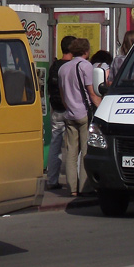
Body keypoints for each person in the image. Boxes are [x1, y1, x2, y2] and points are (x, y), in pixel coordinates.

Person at [58, 37, 100, 197]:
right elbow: (91, 92)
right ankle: (84, 187)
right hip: (84, 113)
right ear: (86, 51)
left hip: (69, 113)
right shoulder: (85, 66)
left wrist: (69, 106)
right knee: (86, 151)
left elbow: (62, 95)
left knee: (71, 153)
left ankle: (71, 188)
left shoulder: (63, 68)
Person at [45, 35, 75, 191]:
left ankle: (52, 179)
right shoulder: (72, 66)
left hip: (56, 108)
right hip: (70, 109)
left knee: (55, 145)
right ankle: (74, 183)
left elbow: (49, 87)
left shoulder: (55, 66)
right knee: (73, 147)